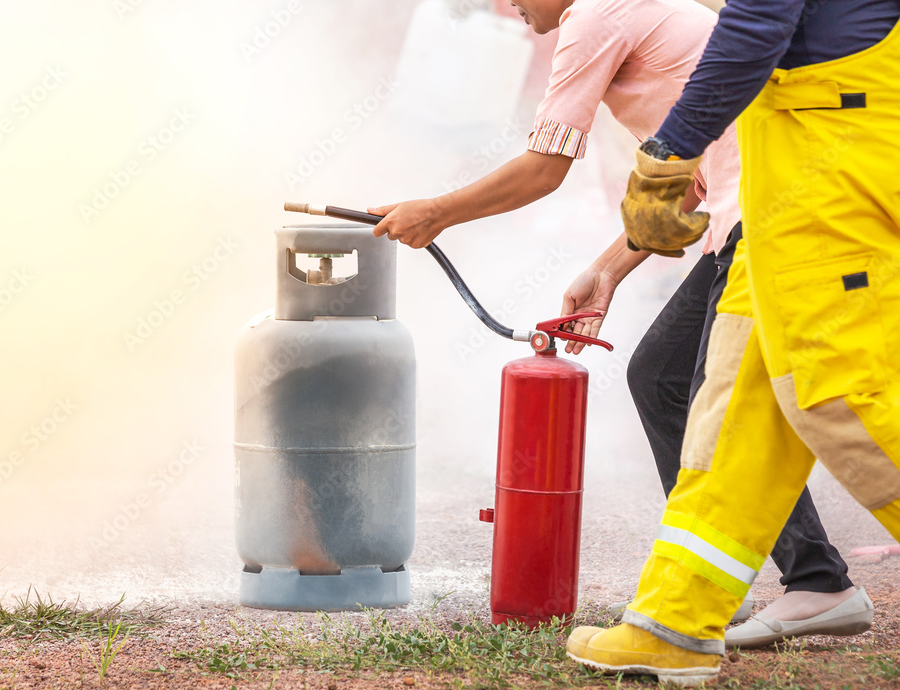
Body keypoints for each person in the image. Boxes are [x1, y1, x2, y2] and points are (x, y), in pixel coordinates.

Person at [372, 0, 869, 647]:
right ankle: (801, 582)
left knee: (772, 397)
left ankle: (795, 585)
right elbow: (683, 182)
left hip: (769, 219)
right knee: (680, 379)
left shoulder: (592, 17)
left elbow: (544, 169)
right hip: (762, 212)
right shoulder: (632, 12)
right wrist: (609, 269)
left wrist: (434, 212)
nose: (506, 5)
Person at [566, 0, 900, 686]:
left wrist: (670, 150)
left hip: (837, 149)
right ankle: (675, 623)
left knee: (837, 393)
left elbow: (757, 24)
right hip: (790, 161)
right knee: (734, 408)